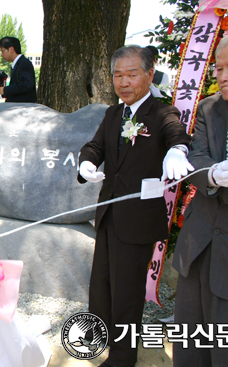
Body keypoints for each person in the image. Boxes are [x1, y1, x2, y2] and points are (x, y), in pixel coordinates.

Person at [77, 45, 192, 367]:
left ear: (149, 74)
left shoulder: (161, 112)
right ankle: (103, 341)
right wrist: (86, 163)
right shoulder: (114, 113)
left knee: (126, 294)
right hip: (110, 213)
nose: (124, 82)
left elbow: (176, 134)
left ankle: (122, 359)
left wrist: (177, 150)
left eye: (131, 74)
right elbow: (95, 145)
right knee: (101, 286)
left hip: (138, 221)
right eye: (118, 75)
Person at [172, 29, 228, 366]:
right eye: (218, 69)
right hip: (198, 246)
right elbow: (198, 158)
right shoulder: (210, 108)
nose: (221, 76)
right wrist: (212, 175)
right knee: (191, 349)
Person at [0, 36, 37, 103]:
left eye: (3, 51)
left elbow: (27, 84)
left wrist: (5, 90)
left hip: (23, 108)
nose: (2, 54)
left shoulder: (24, 62)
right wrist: (0, 89)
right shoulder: (17, 64)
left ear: (12, 49)